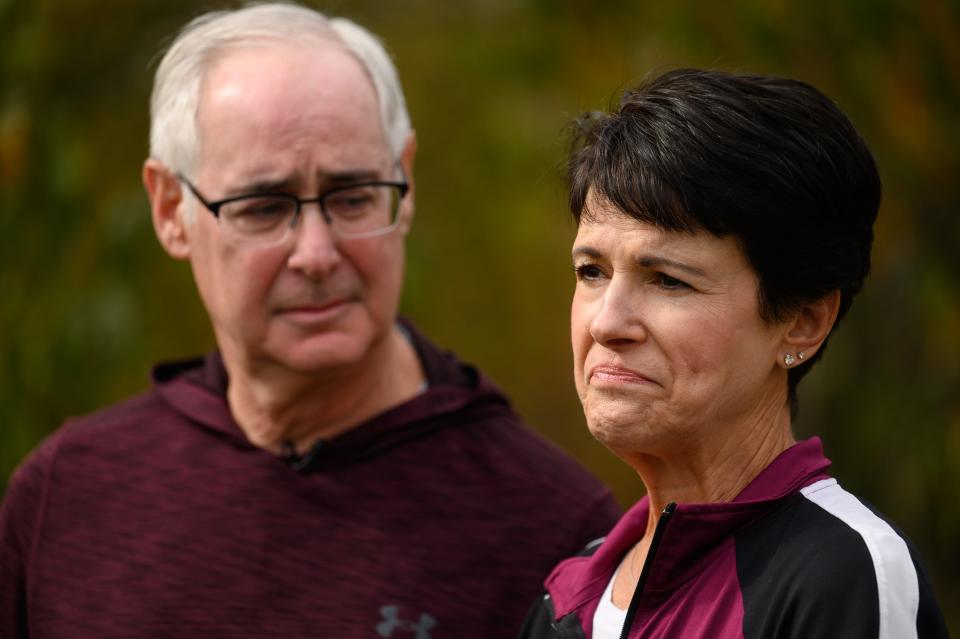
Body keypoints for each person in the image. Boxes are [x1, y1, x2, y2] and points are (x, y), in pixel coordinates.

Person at [0, 4, 622, 637]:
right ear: (168, 209)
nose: (318, 255)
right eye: (264, 207)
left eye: (352, 197)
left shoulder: (560, 535)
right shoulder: (69, 494)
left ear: (403, 180)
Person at [519, 69, 949, 638]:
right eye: (591, 271)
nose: (607, 322)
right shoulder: (566, 601)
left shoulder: (844, 572)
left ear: (801, 322)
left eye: (668, 280)